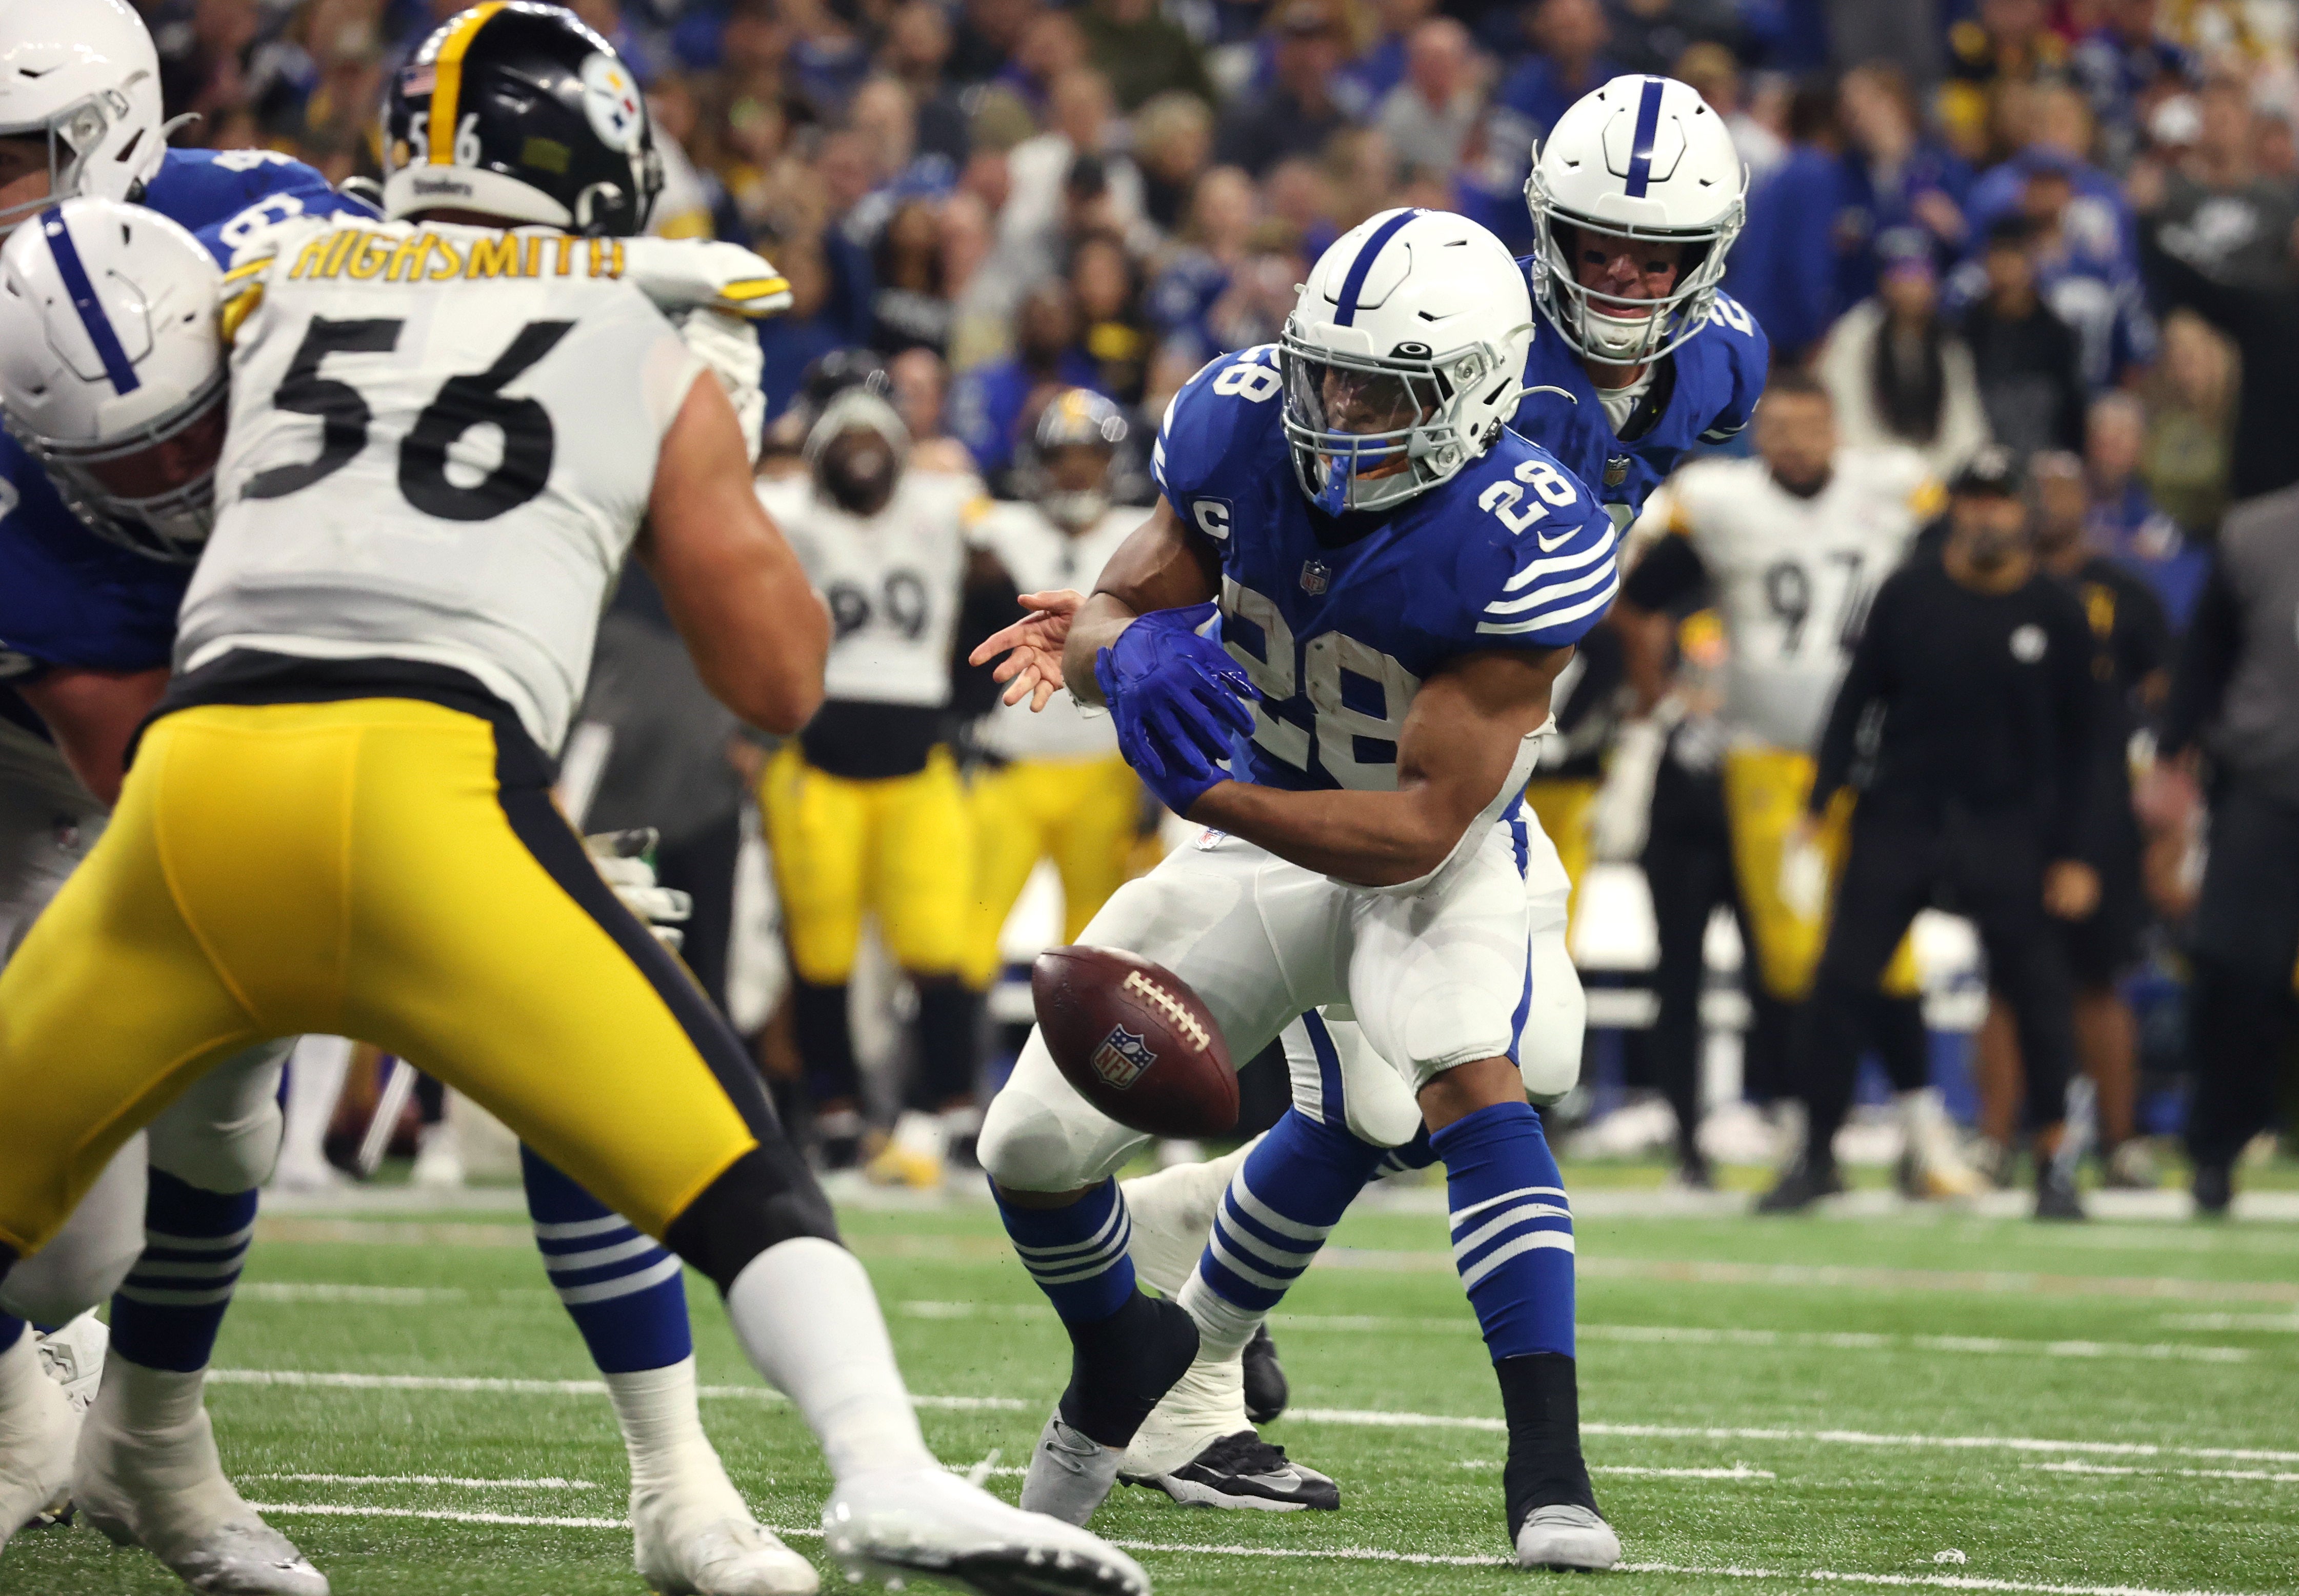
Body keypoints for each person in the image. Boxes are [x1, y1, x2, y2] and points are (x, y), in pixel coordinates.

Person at [0, 9, 1148, 1595]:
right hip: (424, 794)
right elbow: (779, 681)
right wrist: (715, 420)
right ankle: (880, 1460)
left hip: (188, 790)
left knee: (54, 1202)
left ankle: (159, 1440)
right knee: (738, 1171)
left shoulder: (260, 282)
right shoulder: (635, 322)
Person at [971, 206, 1624, 1570]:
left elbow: (1412, 824)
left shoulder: (1525, 531)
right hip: (1254, 837)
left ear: (1477, 394)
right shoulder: (1233, 424)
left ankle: (1550, 1479)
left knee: (1474, 1069)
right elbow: (1109, 609)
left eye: (1382, 392)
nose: (1337, 410)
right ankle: (1127, 1348)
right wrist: (1125, 653)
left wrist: (1207, 791)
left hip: (1431, 870)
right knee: (1023, 1149)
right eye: (1327, 373)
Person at [1611, 374, 1973, 1196]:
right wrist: (1655, 694)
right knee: (1792, 958)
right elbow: (1632, 603)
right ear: (1757, 434)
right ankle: (1816, 1138)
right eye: (1777, 427)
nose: (1794, 442)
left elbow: (1950, 572)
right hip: (1768, 760)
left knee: (1889, 947)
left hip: (1875, 756)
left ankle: (1911, 1133)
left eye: (1810, 426)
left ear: (1837, 429)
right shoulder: (1722, 500)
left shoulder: (1890, 489)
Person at [1760, 447, 2100, 1222]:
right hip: (1902, 815)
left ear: (2024, 512)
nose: (1984, 514)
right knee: (1839, 982)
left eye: (1999, 500)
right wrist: (1820, 803)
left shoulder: (2056, 611)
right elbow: (1855, 702)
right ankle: (1815, 1155)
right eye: (1972, 499)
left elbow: (2091, 746)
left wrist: (2076, 852)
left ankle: (2054, 1161)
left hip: (2007, 824)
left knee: (2038, 996)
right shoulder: (1908, 594)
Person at [755, 364, 1001, 1187]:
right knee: (819, 956)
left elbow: (1006, 556)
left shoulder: (943, 502)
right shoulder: (786, 510)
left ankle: (954, 1115)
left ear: (902, 450)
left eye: (876, 440)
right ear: (822, 451)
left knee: (937, 949)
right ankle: (832, 1119)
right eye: (846, 440)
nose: (862, 455)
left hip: (917, 760)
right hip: (817, 762)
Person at [1971, 453, 2168, 1189]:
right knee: (2001, 982)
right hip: (2009, 807)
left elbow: (2162, 692)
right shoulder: (1987, 588)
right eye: (2039, 494)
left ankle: (2120, 1144)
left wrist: (2163, 814)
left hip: (2097, 810)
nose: (2051, 506)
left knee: (2096, 977)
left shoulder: (2123, 594)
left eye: (2064, 492)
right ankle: (1993, 1141)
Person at [963, 393, 1149, 1037]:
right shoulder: (994, 526)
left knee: (1095, 951)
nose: (1074, 473)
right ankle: (954, 1101)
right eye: (1061, 457)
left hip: (1103, 770)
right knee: (965, 945)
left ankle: (1090, 1103)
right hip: (1010, 766)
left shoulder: (1146, 535)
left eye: (1088, 457)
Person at [1510, 74, 1770, 530]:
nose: (1621, 274)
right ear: (1556, 235)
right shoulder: (1484, 323)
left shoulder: (1727, 353)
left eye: (1656, 254)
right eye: (1598, 247)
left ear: (1699, 258)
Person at [2143, 477, 2299, 1215]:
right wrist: (2171, 751)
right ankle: (2214, 1147)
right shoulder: (2254, 533)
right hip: (2263, 783)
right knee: (2234, 967)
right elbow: (2204, 651)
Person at [1815, 227, 1992, 478]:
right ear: (1883, 281)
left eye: (1920, 275)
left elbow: (1965, 420)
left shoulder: (1949, 342)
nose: (1910, 286)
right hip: (1872, 472)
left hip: (1939, 475)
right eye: (1900, 275)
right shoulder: (1855, 334)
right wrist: (1895, 470)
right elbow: (1846, 415)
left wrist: (1942, 473)